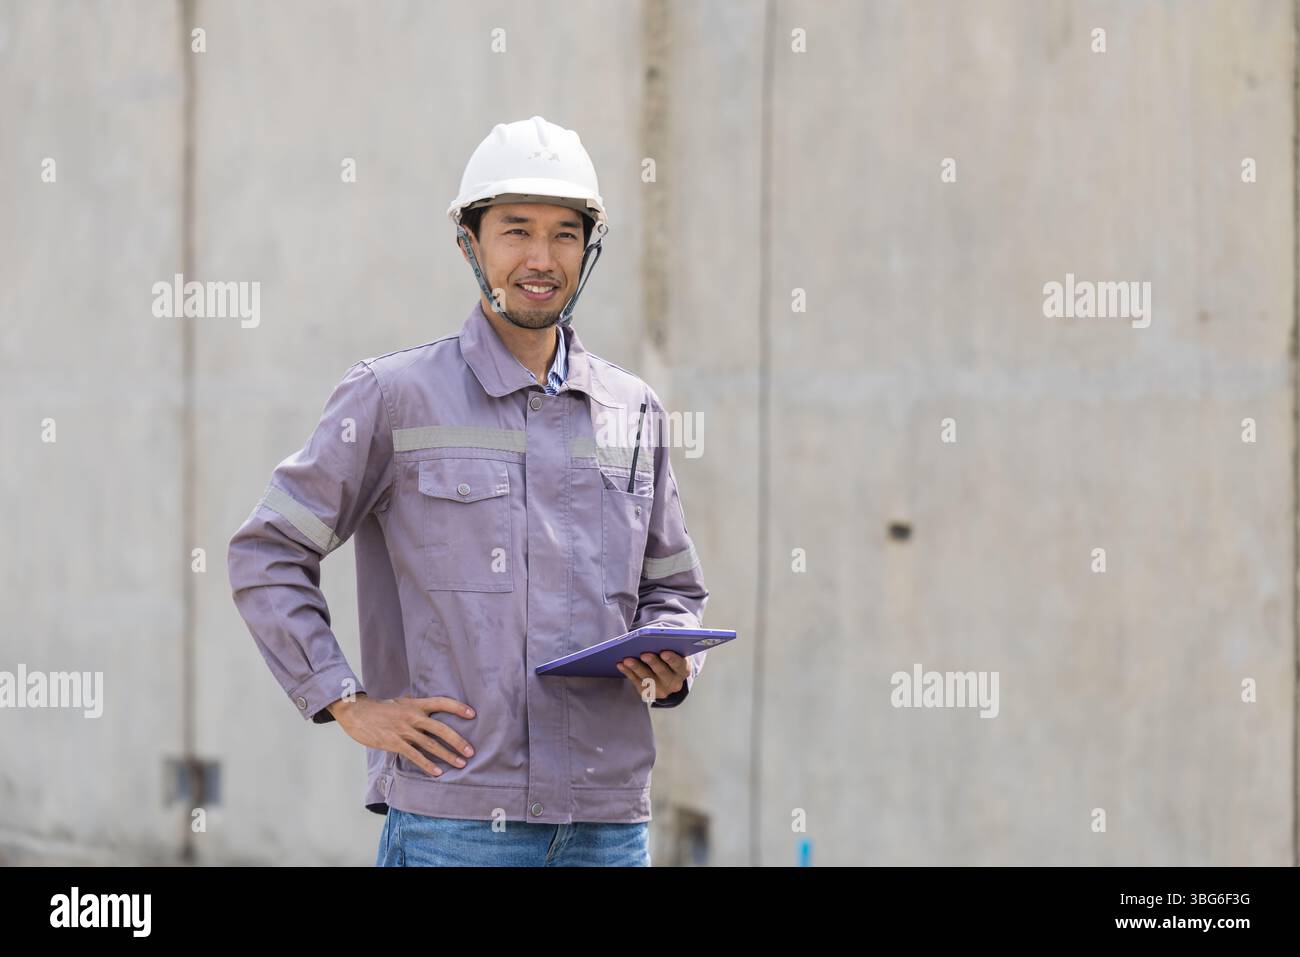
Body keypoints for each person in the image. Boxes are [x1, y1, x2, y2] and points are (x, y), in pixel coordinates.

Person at [227, 116, 710, 867]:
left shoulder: (632, 409)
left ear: (589, 250)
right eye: (516, 231)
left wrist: (674, 662)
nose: (541, 258)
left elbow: (673, 588)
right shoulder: (393, 397)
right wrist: (346, 701)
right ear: (470, 244)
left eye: (565, 234)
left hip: (608, 825)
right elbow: (268, 551)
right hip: (456, 826)